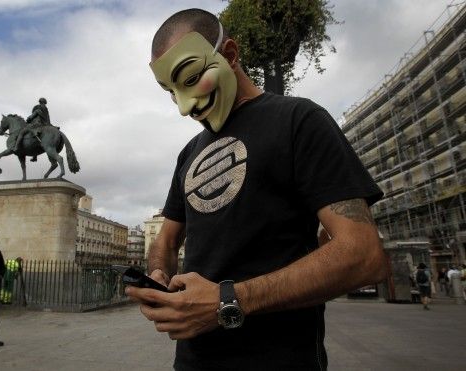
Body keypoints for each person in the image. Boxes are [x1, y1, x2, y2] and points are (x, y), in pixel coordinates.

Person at [125, 8, 388, 370]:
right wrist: (157, 276)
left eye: (190, 79)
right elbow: (167, 241)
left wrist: (228, 301)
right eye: (171, 92)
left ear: (230, 55)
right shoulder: (189, 153)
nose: (184, 107)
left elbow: (363, 254)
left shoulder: (300, 121)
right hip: (193, 362)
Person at [12, 97, 52, 162]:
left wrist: (28, 119)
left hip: (36, 125)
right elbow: (48, 119)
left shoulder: (37, 110)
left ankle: (16, 147)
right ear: (45, 102)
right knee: (36, 139)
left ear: (40, 102)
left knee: (22, 132)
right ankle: (34, 157)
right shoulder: (46, 110)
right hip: (44, 125)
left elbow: (31, 117)